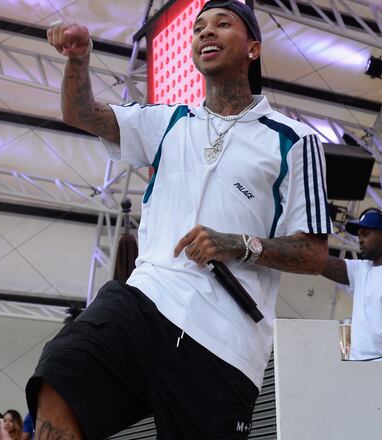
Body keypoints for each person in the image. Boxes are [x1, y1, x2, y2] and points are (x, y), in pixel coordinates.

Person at [34, 1, 330, 438]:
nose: (206, 33)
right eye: (199, 28)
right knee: (61, 371)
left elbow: (314, 255)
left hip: (225, 342)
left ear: (253, 48)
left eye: (222, 24)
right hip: (146, 301)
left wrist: (238, 244)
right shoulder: (168, 122)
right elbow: (82, 114)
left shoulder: (294, 140)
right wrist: (78, 61)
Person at [321, 208, 382, 361]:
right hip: (356, 367)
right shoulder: (360, 269)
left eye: (366, 234)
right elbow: (319, 262)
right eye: (359, 235)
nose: (360, 240)